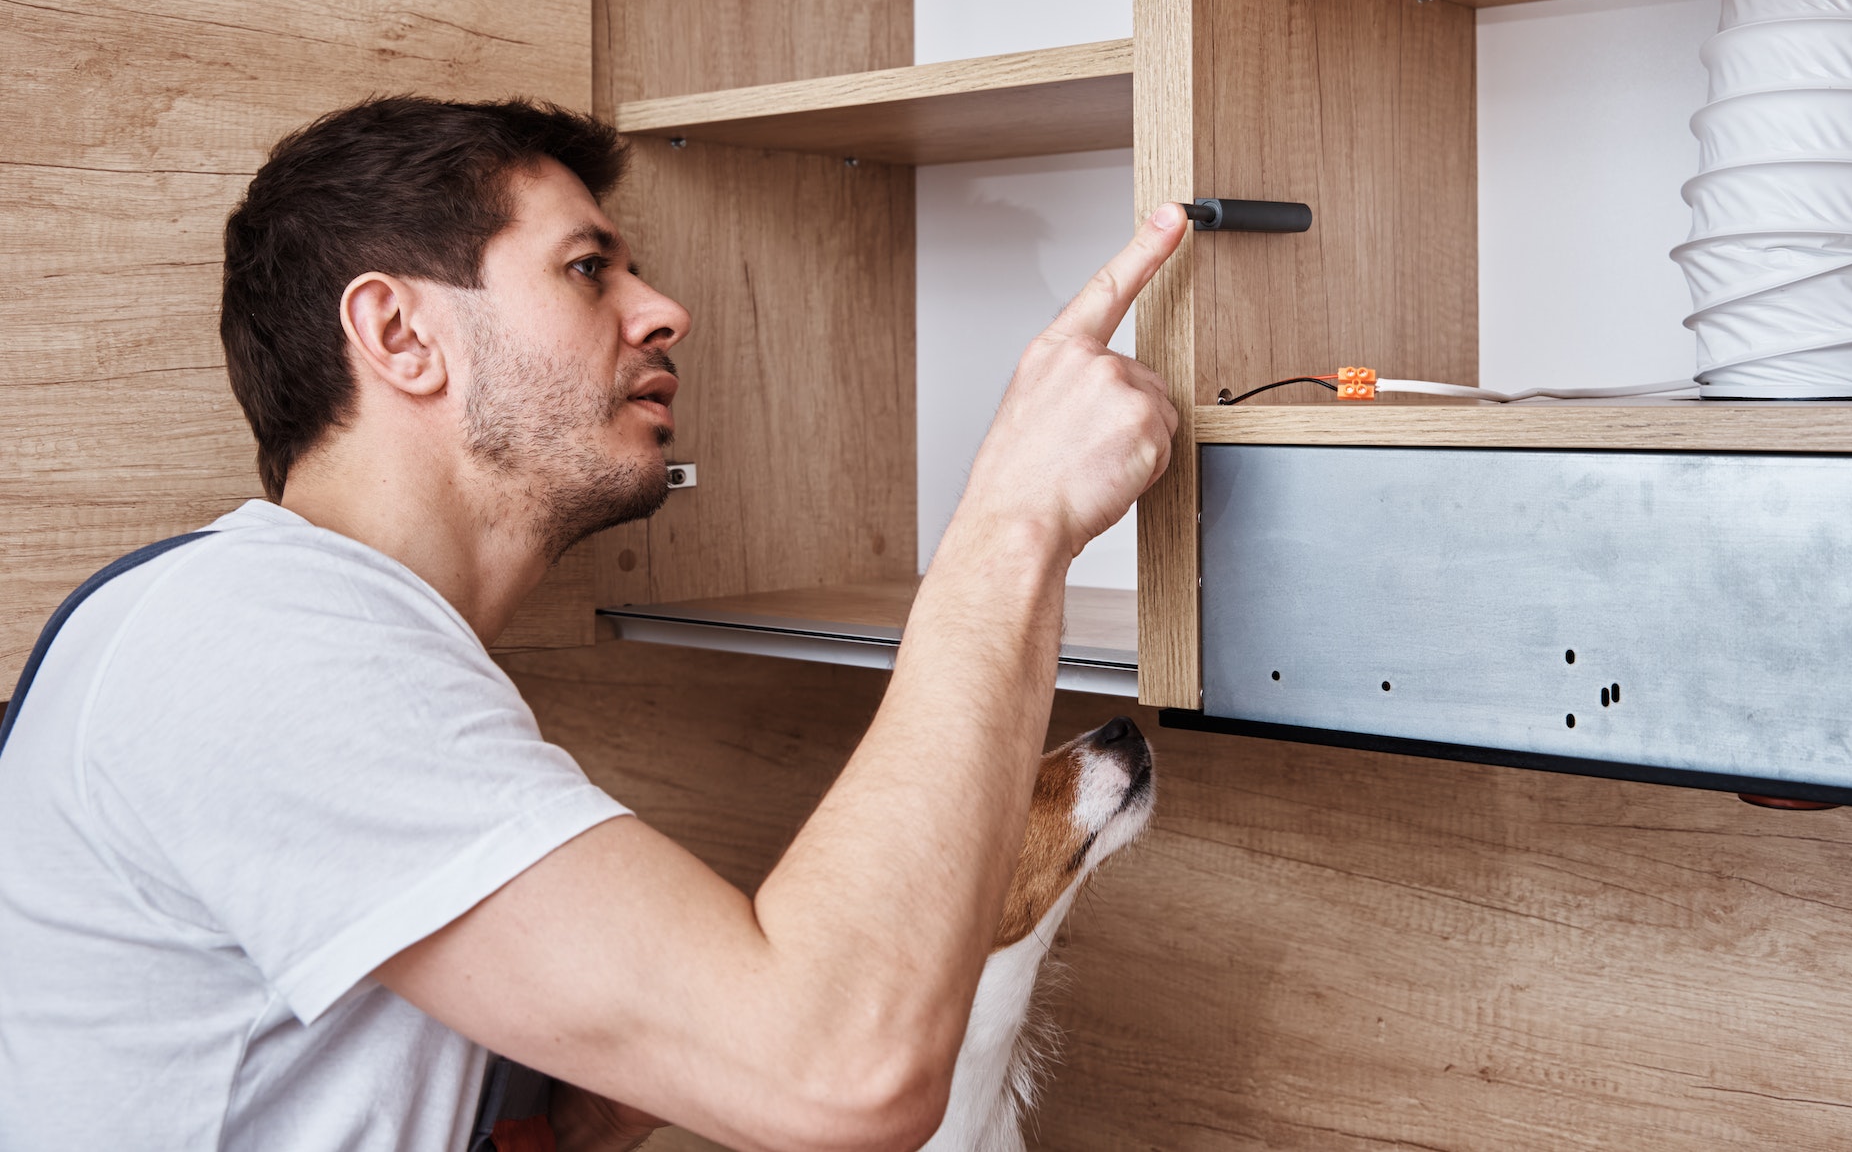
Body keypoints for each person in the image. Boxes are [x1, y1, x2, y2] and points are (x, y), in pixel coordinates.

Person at [0, 96, 1185, 1151]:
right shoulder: (264, 639)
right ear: (398, 334)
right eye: (587, 269)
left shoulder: (293, 631)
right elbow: (836, 1076)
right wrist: (1017, 511)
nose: (663, 310)